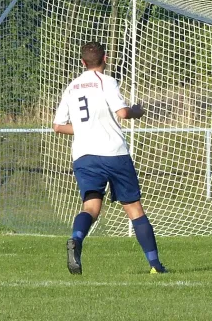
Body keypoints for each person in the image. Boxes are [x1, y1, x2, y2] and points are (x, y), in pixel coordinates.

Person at [53, 41, 167, 275]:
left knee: (91, 206)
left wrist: (86, 129)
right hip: (113, 153)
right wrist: (138, 110)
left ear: (83, 63)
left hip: (84, 156)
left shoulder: (72, 87)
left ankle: (76, 238)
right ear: (105, 59)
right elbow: (123, 113)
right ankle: (155, 266)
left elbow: (57, 126)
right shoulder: (107, 81)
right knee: (134, 209)